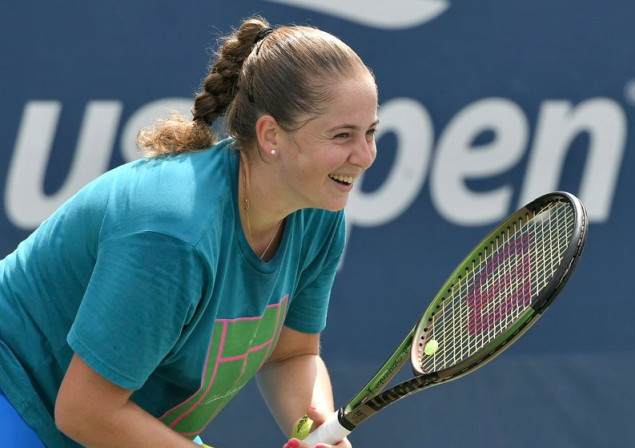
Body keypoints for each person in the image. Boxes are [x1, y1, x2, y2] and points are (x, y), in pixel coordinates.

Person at [0, 15, 378, 448]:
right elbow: (86, 411)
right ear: (271, 134)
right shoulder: (174, 235)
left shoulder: (318, 213)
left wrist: (317, 427)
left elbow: (292, 354)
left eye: (370, 132)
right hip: (18, 396)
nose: (365, 156)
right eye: (342, 135)